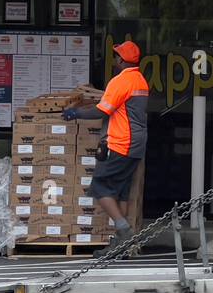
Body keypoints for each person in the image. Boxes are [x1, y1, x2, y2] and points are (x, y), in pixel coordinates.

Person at [64, 40, 149, 251]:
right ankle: (122, 243)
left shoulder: (121, 81)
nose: (115, 59)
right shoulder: (140, 80)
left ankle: (124, 231)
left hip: (121, 143)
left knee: (99, 186)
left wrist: (76, 113)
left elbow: (102, 111)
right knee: (120, 191)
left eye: (117, 56)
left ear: (121, 60)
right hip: (136, 144)